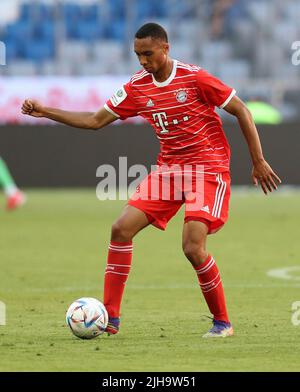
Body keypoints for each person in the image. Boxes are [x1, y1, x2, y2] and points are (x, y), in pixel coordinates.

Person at [21, 23, 281, 338]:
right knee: (120, 229)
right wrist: (45, 111)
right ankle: (109, 319)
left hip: (206, 169)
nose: (143, 61)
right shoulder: (137, 87)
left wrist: (258, 160)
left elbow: (241, 110)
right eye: (138, 55)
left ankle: (222, 323)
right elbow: (94, 121)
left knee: (192, 246)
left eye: (148, 54)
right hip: (169, 171)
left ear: (165, 48)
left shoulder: (195, 78)